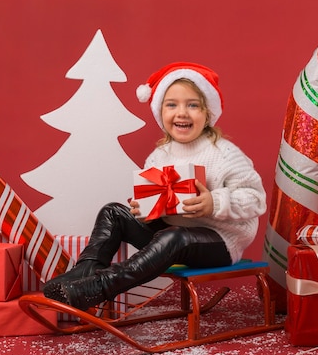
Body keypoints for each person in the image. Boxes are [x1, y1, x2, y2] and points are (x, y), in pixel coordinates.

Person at [43, 62, 267, 311]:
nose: (182, 113)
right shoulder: (159, 157)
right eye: (172, 105)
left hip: (221, 241)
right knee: (113, 212)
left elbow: (256, 199)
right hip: (171, 232)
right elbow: (155, 202)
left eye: (192, 105)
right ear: (160, 112)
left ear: (207, 114)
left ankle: (101, 286)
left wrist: (214, 202)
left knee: (173, 236)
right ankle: (85, 270)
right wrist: (145, 210)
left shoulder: (223, 153)